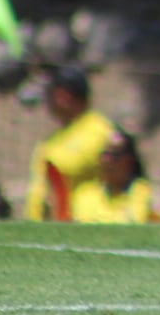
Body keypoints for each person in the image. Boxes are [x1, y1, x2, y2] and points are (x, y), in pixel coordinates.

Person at [24, 65, 118, 221]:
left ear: (64, 96)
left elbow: (70, 165)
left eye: (51, 94)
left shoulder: (98, 129)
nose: (47, 101)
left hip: (84, 221)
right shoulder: (52, 140)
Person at [70, 126, 160, 224]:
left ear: (129, 161)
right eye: (104, 155)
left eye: (114, 156)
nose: (107, 161)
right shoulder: (84, 195)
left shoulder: (146, 194)